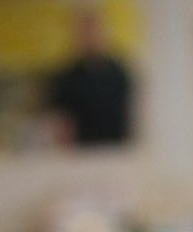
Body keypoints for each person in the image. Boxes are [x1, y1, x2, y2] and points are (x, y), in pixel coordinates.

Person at [45, 9, 133, 148]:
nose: (90, 37)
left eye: (94, 31)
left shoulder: (120, 73)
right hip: (82, 152)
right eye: (84, 32)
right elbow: (61, 122)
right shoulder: (67, 77)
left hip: (117, 150)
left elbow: (131, 114)